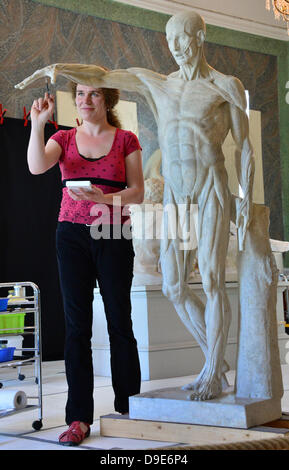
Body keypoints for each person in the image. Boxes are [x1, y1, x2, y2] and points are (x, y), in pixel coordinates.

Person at [16, 11, 254, 402]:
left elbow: (243, 144)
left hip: (208, 188)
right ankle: (215, 359)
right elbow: (105, 73)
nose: (177, 47)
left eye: (184, 38)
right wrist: (58, 67)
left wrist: (244, 198)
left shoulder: (225, 86)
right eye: (171, 39)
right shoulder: (159, 84)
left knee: (210, 280)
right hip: (173, 195)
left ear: (200, 37)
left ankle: (210, 369)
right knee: (175, 286)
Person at [27, 83, 144, 445]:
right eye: (80, 93)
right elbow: (35, 167)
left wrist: (105, 197)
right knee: (77, 329)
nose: (85, 100)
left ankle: (129, 407)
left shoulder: (126, 139)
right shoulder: (62, 137)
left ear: (107, 100)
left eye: (93, 94)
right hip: (72, 236)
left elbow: (138, 191)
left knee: (119, 322)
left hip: (112, 232)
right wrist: (37, 124)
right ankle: (79, 418)